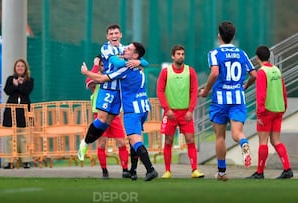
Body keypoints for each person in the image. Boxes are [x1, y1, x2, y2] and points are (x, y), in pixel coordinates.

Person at [81, 42, 158, 181]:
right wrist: (139, 60)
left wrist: (87, 72)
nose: (125, 49)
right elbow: (144, 61)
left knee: (135, 140)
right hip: (144, 107)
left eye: (129, 49)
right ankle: (133, 171)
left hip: (132, 109)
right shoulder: (139, 67)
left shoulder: (125, 68)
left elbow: (103, 78)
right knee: (133, 138)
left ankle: (150, 169)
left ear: (134, 55)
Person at [77, 24, 147, 161]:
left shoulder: (125, 48)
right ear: (107, 37)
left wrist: (137, 60)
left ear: (120, 35)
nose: (114, 36)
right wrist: (133, 61)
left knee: (106, 123)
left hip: (119, 92)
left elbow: (145, 62)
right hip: (107, 88)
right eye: (111, 34)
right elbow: (118, 63)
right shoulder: (106, 48)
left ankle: (88, 142)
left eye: (116, 33)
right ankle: (84, 143)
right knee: (101, 119)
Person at [199, 21, 257, 181]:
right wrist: (244, 86)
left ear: (219, 36)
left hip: (220, 100)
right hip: (238, 98)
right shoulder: (242, 53)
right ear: (233, 36)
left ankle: (222, 172)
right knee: (237, 133)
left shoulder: (214, 53)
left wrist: (205, 90)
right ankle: (243, 142)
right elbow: (254, 75)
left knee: (220, 137)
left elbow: (215, 72)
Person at [156, 45, 204, 179]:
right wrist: (167, 109)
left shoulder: (190, 71)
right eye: (178, 54)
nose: (181, 56)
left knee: (190, 139)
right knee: (169, 141)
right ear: (172, 56)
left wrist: (190, 110)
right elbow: (159, 91)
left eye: (183, 54)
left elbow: (194, 91)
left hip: (185, 113)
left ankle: (195, 170)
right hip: (170, 113)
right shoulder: (166, 72)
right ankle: (167, 171)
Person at [246, 45, 293, 179]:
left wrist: (259, 113)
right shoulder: (276, 70)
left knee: (263, 141)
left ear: (257, 58)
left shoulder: (262, 72)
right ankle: (287, 169)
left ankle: (260, 172)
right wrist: (284, 106)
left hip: (266, 111)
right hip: (278, 110)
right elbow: (284, 90)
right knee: (276, 140)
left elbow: (261, 94)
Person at [85, 55, 130, 179]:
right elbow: (89, 82)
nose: (104, 67)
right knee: (102, 143)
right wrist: (94, 66)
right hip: (99, 115)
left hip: (114, 115)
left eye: (105, 64)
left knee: (121, 142)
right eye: (101, 65)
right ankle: (104, 171)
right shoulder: (96, 78)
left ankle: (125, 169)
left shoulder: (115, 76)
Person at [3, 58, 34, 169]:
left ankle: (26, 160)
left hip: (24, 111)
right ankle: (10, 161)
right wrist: (15, 84)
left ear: (25, 68)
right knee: (10, 137)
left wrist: (19, 85)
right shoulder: (10, 79)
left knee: (24, 137)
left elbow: (26, 91)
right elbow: (7, 90)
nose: (20, 68)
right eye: (18, 66)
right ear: (15, 68)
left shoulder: (29, 80)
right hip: (11, 111)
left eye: (22, 66)